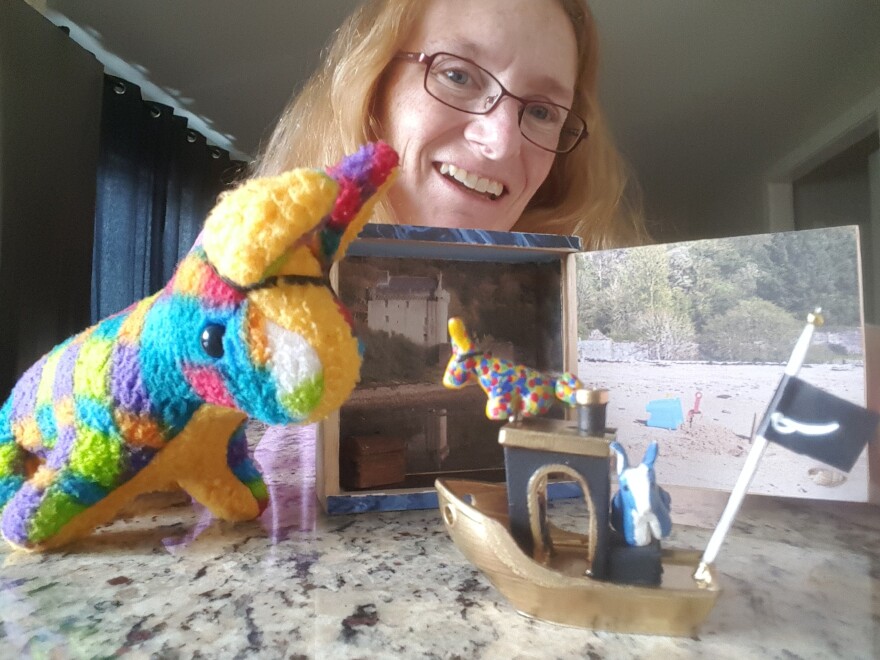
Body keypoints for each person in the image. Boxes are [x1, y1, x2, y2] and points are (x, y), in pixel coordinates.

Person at [255, 0, 647, 249]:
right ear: (373, 87)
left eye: (542, 112)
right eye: (458, 76)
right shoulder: (229, 289)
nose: (501, 141)